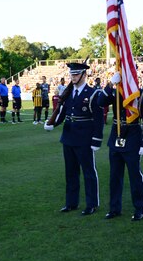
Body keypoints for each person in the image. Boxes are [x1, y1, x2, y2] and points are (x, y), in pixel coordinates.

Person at [97, 72, 143, 221]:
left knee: (135, 176)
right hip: (116, 136)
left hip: (133, 138)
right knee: (114, 176)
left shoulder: (140, 95)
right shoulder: (115, 91)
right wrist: (110, 84)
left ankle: (140, 208)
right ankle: (114, 208)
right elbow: (100, 101)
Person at [44, 62, 104, 215]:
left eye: (77, 74)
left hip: (84, 138)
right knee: (70, 172)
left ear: (84, 75)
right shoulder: (68, 92)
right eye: (72, 74)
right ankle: (71, 202)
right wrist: (52, 123)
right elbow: (63, 113)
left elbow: (98, 119)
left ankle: (92, 204)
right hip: (68, 137)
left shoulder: (93, 94)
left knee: (88, 172)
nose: (74, 77)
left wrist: (97, 139)